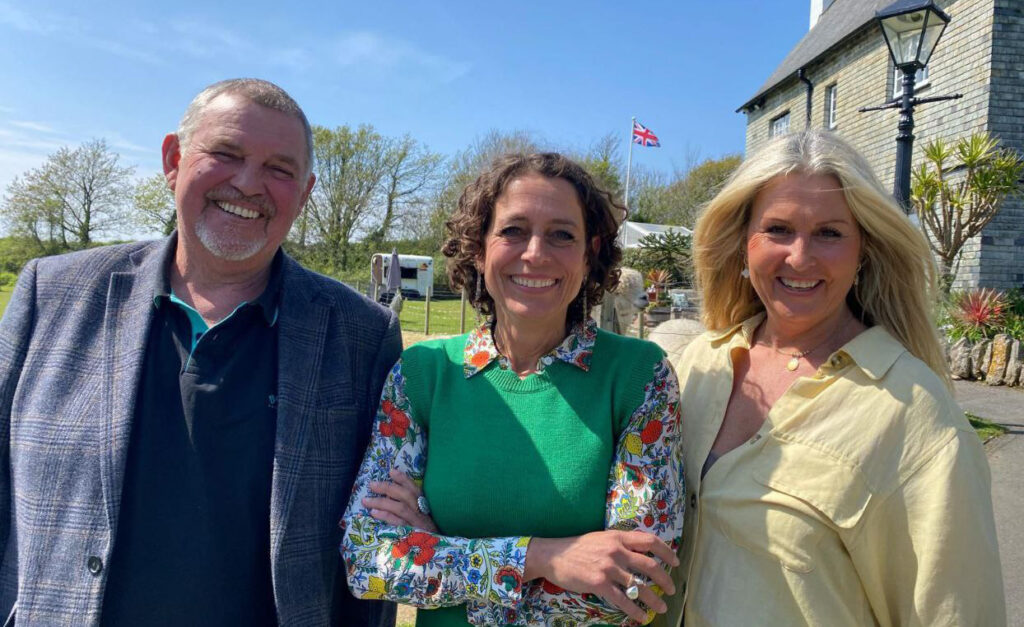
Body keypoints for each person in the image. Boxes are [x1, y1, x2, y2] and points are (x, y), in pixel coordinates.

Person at [0, 79, 401, 626]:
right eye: (226, 154)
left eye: (279, 169)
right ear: (173, 159)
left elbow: (368, 545)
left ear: (304, 193)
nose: (247, 184)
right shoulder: (55, 292)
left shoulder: (361, 335)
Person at [659, 130, 1004, 626]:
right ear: (743, 243)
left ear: (864, 249)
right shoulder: (696, 366)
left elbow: (957, 612)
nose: (800, 257)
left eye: (829, 233)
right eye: (778, 229)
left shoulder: (915, 416)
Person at [341, 152, 684, 626]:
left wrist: (441, 548)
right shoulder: (423, 374)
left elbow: (636, 586)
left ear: (590, 253)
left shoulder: (638, 378)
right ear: (479, 248)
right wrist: (541, 558)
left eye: (562, 235)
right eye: (513, 230)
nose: (535, 253)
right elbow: (367, 561)